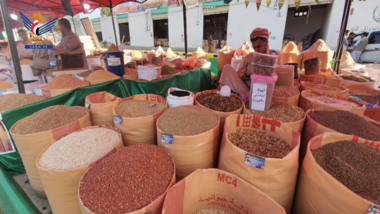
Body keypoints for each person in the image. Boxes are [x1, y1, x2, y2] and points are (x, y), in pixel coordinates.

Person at [219, 28, 275, 96]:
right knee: (227, 67)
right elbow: (238, 74)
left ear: (266, 42)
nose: (256, 50)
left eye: (259, 46)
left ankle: (249, 96)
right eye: (254, 48)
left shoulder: (273, 58)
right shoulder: (248, 57)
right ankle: (247, 95)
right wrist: (243, 75)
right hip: (246, 89)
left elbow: (276, 78)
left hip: (264, 91)